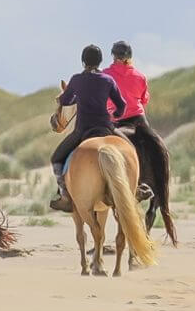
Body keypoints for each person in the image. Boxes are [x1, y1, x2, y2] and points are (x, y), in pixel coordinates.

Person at [50, 44, 127, 212]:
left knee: (56, 158)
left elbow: (64, 101)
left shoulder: (77, 80)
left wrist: (76, 97)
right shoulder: (108, 80)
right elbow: (122, 104)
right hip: (106, 128)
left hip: (82, 130)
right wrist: (117, 115)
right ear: (100, 61)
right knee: (132, 151)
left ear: (83, 61)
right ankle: (135, 189)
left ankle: (64, 195)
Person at [103, 40, 151, 130]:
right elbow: (144, 100)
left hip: (115, 120)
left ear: (113, 55)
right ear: (130, 56)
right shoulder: (141, 76)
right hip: (138, 119)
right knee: (157, 143)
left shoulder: (104, 75)